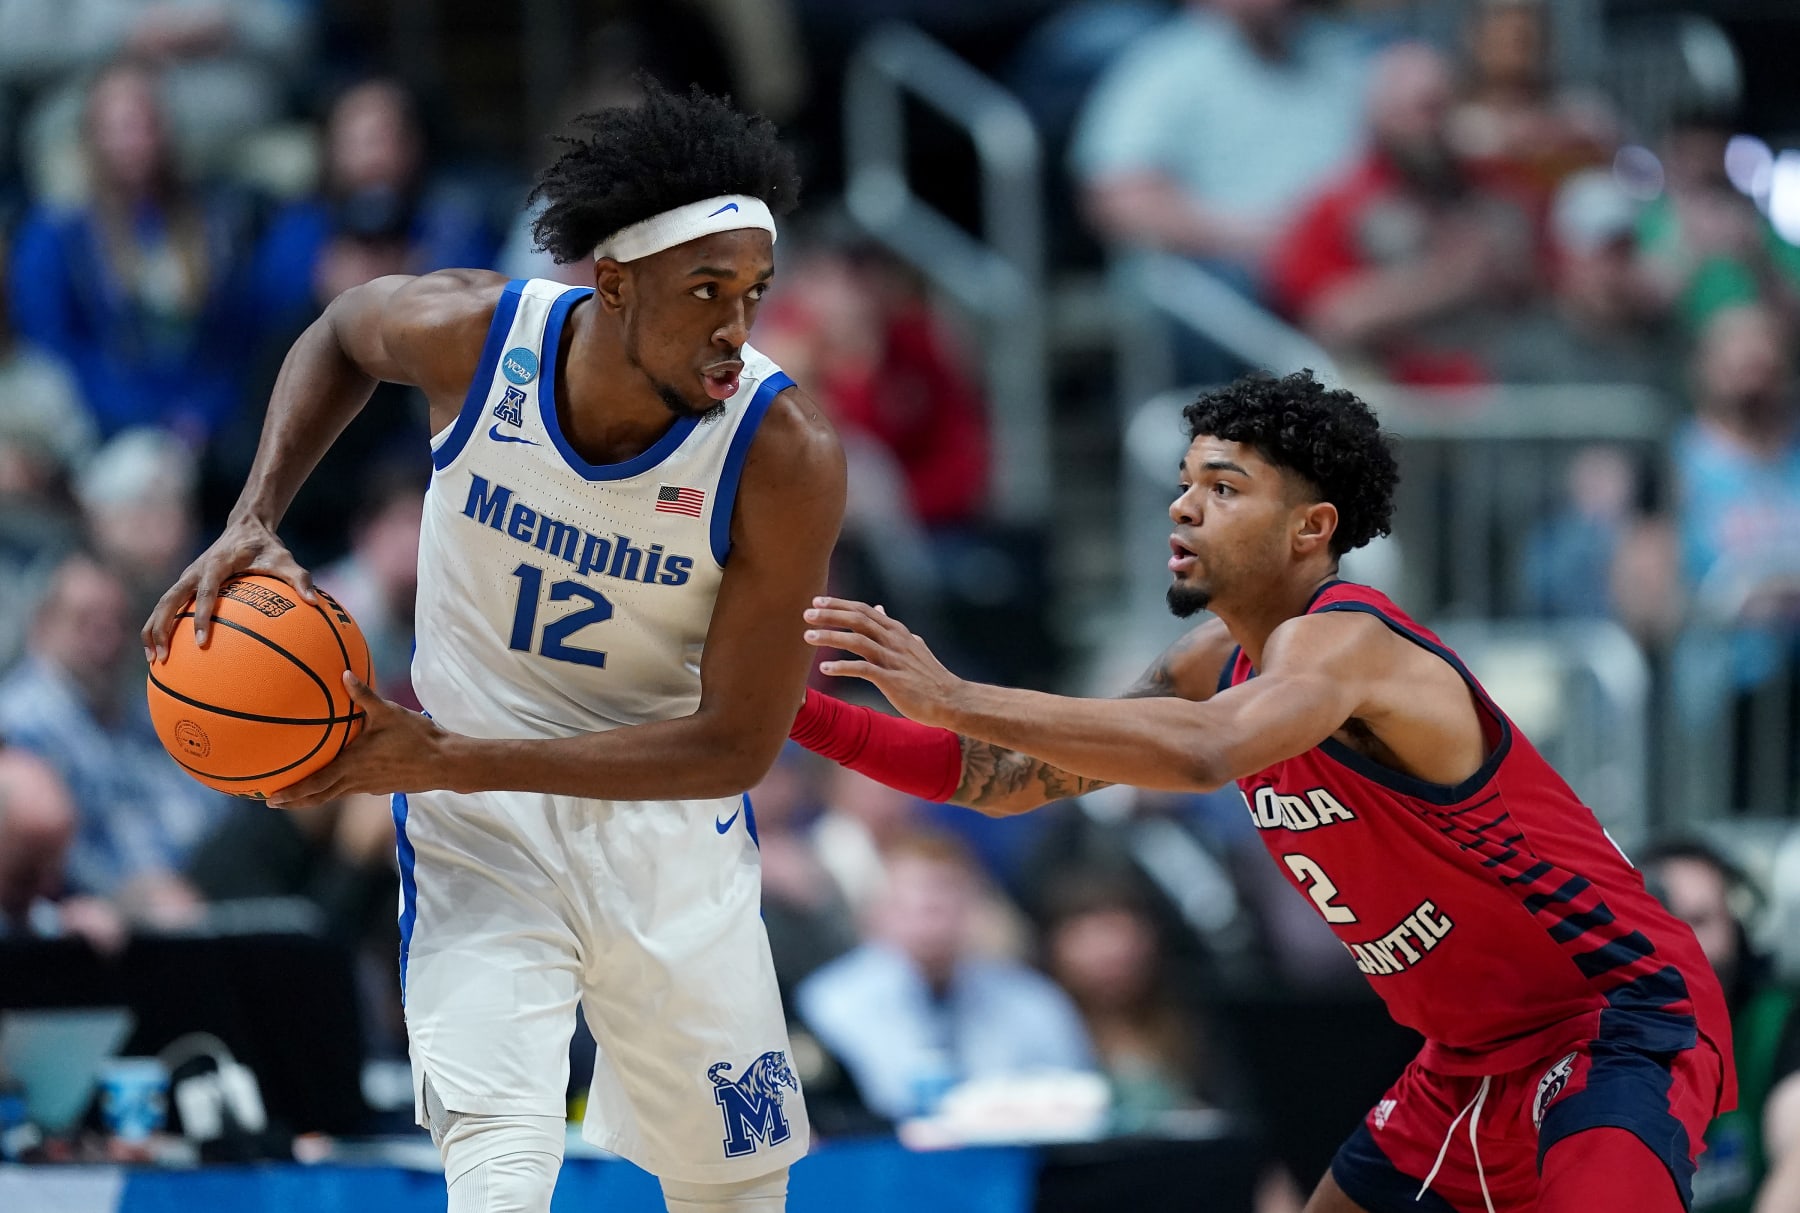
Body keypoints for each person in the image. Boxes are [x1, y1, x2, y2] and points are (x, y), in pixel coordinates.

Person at [141, 81, 845, 1213]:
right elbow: (338, 332)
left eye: (754, 293)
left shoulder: (783, 450)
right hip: (481, 834)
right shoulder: (477, 336)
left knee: (735, 1193)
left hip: (664, 831)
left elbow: (730, 749)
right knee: (500, 1175)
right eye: (705, 290)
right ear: (612, 283)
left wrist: (442, 758)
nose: (735, 327)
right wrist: (254, 515)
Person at [790, 370, 1734, 1212]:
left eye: (1223, 488)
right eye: (1186, 482)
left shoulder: (1348, 639)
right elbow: (1001, 779)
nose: (1183, 508)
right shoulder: (1214, 658)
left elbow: (1208, 752)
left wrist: (955, 694)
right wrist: (787, 714)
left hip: (1614, 1020)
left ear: (1310, 528)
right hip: (1467, 1057)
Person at [1268, 43, 1538, 386]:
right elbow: (1332, 317)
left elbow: (1542, 281)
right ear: (1378, 114)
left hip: (1497, 389)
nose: (1430, 125)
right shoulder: (1339, 205)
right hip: (1393, 401)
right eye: (1419, 109)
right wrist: (1453, 277)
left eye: (1440, 107)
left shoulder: (1495, 193)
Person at [794, 830, 1094, 1124]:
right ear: (874, 912)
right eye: (911, 901)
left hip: (1014, 1165)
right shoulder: (827, 1004)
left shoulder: (1032, 1001)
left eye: (945, 897)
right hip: (881, 1162)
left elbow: (1080, 1101)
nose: (930, 916)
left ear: (977, 906)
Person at [0, 552, 219, 928]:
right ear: (42, 625)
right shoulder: (21, 721)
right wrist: (133, 896)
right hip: (96, 918)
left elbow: (205, 808)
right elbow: (44, 850)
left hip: (193, 894)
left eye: (117, 624)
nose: (107, 641)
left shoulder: (139, 712)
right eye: (87, 623)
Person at [1642, 839, 1800, 1213]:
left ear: (1738, 928)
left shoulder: (1774, 1024)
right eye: (1663, 920)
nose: (1684, 943)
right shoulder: (1588, 1039)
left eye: (1699, 920)